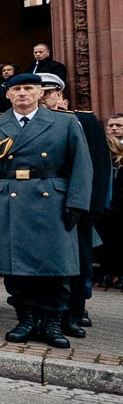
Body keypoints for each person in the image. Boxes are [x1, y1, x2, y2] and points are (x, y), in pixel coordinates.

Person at [0, 73, 92, 348]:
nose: (22, 93)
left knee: (55, 266)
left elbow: (82, 166)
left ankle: (51, 323)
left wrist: (77, 202)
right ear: (8, 95)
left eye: (29, 88)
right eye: (16, 89)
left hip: (53, 200)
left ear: (40, 93)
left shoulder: (65, 122)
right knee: (17, 268)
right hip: (10, 199)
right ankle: (25, 319)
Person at [37, 73, 110, 338]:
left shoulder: (83, 120)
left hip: (76, 204)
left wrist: (93, 207)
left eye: (48, 92)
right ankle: (47, 313)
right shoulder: (28, 123)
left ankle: (74, 312)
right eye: (39, 92)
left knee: (78, 262)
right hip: (43, 206)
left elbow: (99, 167)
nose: (43, 97)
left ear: (60, 94)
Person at [96, 114, 123, 289]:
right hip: (106, 205)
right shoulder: (101, 148)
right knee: (105, 240)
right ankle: (107, 272)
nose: (114, 128)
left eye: (118, 125)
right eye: (111, 125)